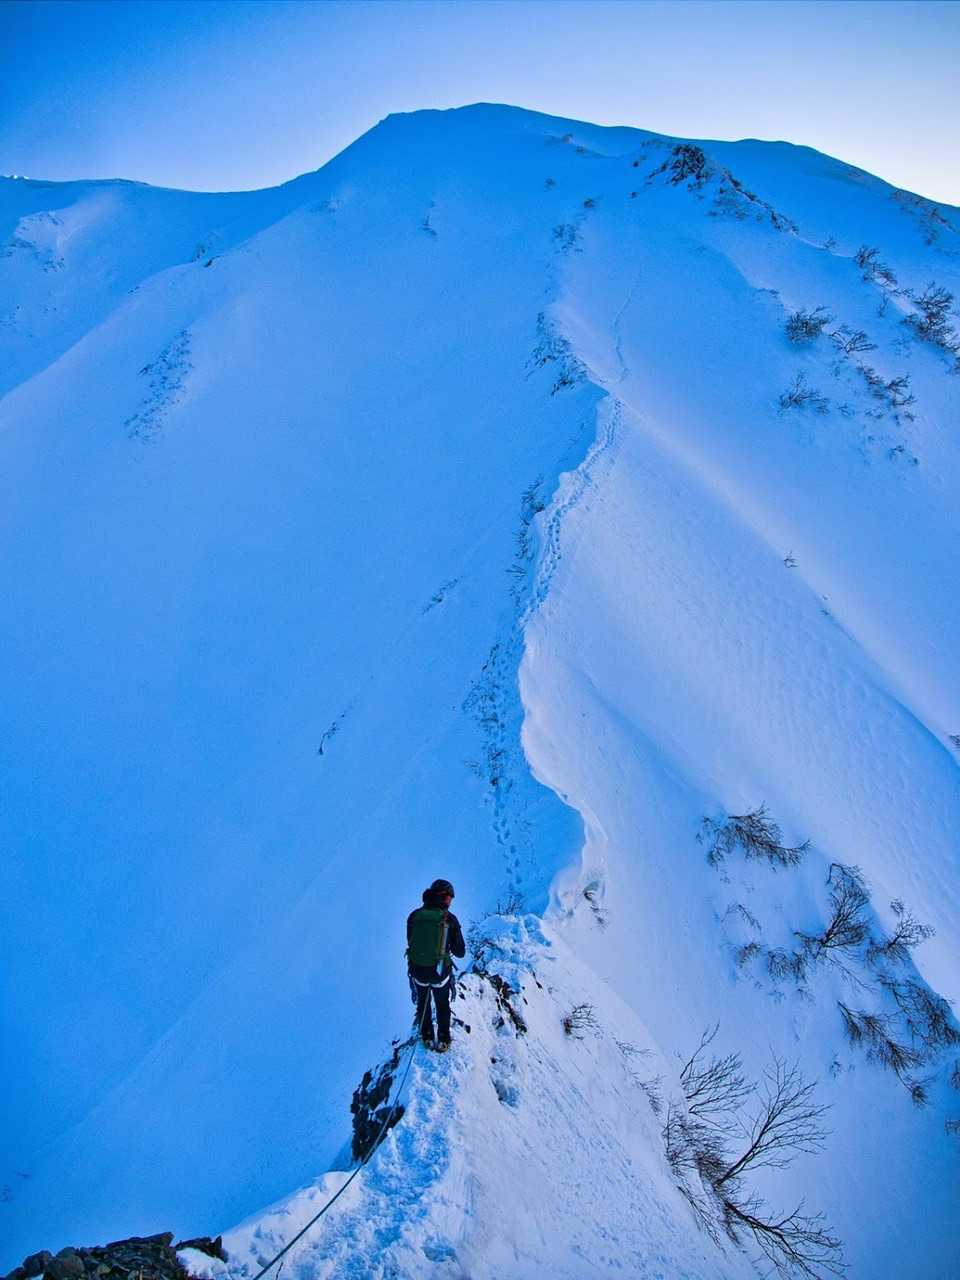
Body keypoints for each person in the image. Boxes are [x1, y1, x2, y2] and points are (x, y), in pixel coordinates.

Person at [407, 878, 465, 1052]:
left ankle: (427, 1037)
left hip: (418, 971)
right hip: (439, 973)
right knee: (442, 1004)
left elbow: (411, 941)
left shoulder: (414, 916)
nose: (451, 901)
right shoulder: (449, 919)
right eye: (450, 897)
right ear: (444, 896)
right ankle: (443, 1039)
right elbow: (460, 952)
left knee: (423, 1003)